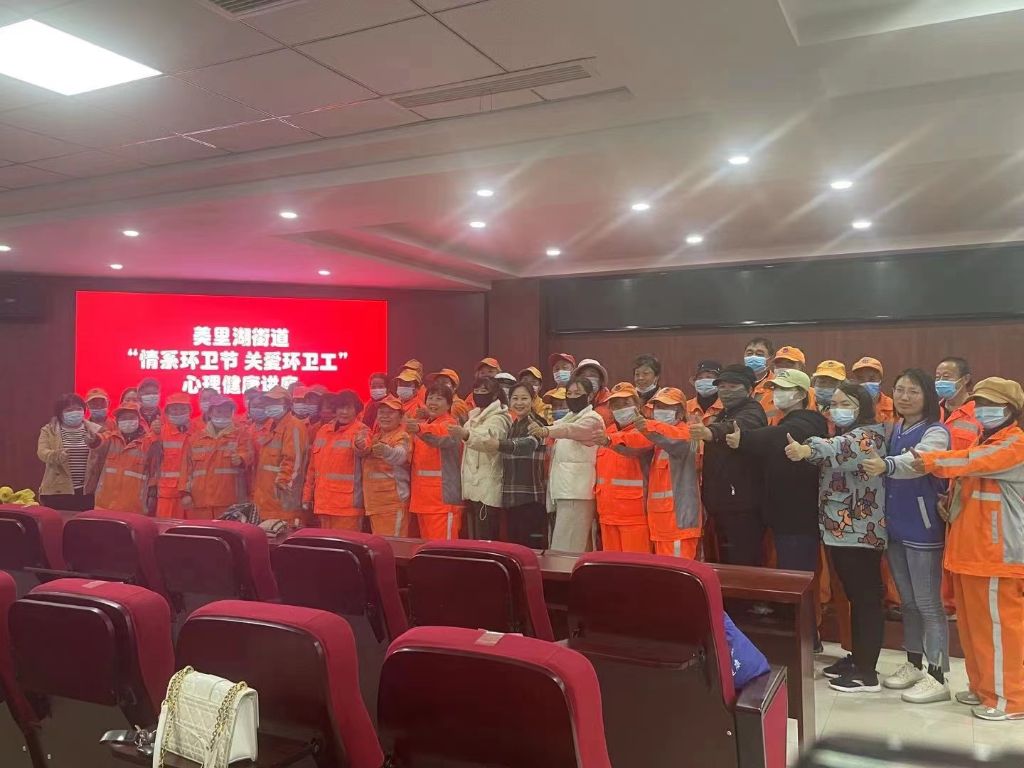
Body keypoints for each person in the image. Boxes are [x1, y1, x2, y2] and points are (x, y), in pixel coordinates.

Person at [915, 377, 1024, 721]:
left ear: (1011, 410)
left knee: (999, 631)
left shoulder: (1015, 444)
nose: (984, 410)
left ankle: (1011, 700)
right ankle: (983, 689)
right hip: (969, 553)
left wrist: (926, 460)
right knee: (974, 630)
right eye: (981, 403)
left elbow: (971, 461)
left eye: (993, 404)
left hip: (997, 556)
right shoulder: (984, 439)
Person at [785, 381, 887, 693]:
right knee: (855, 596)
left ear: (862, 406)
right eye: (835, 404)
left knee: (866, 598)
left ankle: (867, 672)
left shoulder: (869, 435)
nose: (838, 409)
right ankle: (858, 658)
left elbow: (839, 449)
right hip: (842, 531)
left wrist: (806, 449)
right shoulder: (847, 432)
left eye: (846, 404)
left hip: (862, 531)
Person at [862, 369, 951, 704]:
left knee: (928, 602)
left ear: (927, 395)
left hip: (923, 527)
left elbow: (918, 462)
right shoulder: (895, 427)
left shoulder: (936, 431)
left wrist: (886, 465)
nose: (904, 396)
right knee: (908, 601)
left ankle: (938, 675)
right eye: (899, 390)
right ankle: (914, 663)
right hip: (895, 525)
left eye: (913, 391)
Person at [725, 369, 829, 575]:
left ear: (801, 394)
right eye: (775, 388)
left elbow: (780, 435)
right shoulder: (787, 420)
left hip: (798, 518)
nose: (777, 393)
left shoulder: (808, 421)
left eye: (784, 388)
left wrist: (744, 439)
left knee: (796, 575)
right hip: (783, 515)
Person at [689, 364, 767, 566]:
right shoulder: (724, 412)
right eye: (722, 386)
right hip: (721, 503)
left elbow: (735, 427)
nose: (726, 391)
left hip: (742, 506)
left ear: (749, 389)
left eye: (733, 386)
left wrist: (710, 432)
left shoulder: (752, 411)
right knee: (725, 561)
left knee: (743, 561)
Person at [529, 376, 604, 553]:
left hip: (578, 493)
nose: (572, 397)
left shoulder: (593, 419)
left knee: (566, 548)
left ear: (589, 396)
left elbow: (569, 431)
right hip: (564, 491)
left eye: (577, 393)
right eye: (569, 393)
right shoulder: (568, 418)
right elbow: (560, 427)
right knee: (574, 546)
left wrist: (546, 430)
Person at [935, 356, 982, 618]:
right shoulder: (933, 411)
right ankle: (941, 602)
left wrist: (953, 492)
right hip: (931, 490)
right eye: (938, 376)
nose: (941, 381)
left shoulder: (979, 413)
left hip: (963, 493)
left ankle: (956, 604)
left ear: (965, 380)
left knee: (959, 551)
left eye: (947, 376)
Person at [634, 387, 700, 557]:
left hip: (679, 525)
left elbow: (676, 441)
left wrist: (647, 427)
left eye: (667, 407)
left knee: (679, 572)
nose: (661, 411)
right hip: (660, 525)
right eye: (658, 407)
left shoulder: (687, 434)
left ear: (680, 412)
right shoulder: (658, 440)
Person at [592, 383, 653, 553]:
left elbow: (633, 446)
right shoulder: (607, 432)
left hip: (635, 516)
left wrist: (609, 441)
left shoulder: (646, 429)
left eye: (626, 403)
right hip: (606, 515)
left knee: (634, 565)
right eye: (616, 405)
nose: (620, 408)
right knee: (611, 565)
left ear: (637, 404)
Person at [488, 381, 549, 548]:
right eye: (515, 398)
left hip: (530, 498)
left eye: (524, 398)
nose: (519, 403)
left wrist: (498, 444)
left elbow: (528, 445)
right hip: (512, 497)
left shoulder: (537, 423)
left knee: (531, 550)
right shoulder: (513, 425)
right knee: (514, 548)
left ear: (533, 400)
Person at [450, 377, 511, 540]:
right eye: (476, 391)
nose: (479, 394)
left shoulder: (499, 418)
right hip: (472, 487)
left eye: (483, 391)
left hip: (487, 488)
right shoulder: (473, 416)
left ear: (495, 394)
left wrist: (466, 434)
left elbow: (487, 442)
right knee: (475, 538)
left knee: (487, 538)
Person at [303, 389, 369, 531]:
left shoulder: (361, 431)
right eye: (340, 408)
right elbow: (312, 469)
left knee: (345, 543)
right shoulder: (323, 431)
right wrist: (307, 497)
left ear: (356, 411)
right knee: (326, 544)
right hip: (323, 505)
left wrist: (361, 445)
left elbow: (364, 448)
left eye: (348, 408)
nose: (344, 412)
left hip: (347, 508)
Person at [179, 395, 251, 519]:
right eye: (219, 411)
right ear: (210, 413)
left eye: (227, 412)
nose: (223, 415)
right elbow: (186, 469)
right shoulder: (195, 438)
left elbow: (250, 456)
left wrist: (242, 459)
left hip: (230, 504)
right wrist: (185, 493)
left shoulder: (241, 436)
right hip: (200, 502)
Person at [408, 382, 463, 540]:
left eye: (439, 399)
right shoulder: (423, 425)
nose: (433, 402)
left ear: (449, 404)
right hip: (422, 500)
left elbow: (438, 438)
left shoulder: (451, 425)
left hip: (443, 501)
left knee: (444, 549)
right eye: (430, 398)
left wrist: (419, 429)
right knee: (426, 548)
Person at [252, 386, 309, 523]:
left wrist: (283, 486)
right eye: (269, 402)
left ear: (287, 404)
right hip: (267, 501)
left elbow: (293, 460)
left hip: (283, 502)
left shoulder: (294, 426)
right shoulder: (272, 426)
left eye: (276, 402)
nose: (271, 405)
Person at [37, 393, 102, 511]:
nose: (75, 413)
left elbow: (103, 455)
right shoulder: (49, 430)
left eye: (78, 409)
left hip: (87, 491)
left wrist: (96, 444)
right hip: (58, 491)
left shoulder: (96, 430)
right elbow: (42, 452)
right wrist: (56, 455)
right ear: (60, 413)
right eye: (69, 410)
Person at [359, 394, 412, 536]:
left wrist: (386, 451)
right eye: (382, 412)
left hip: (393, 504)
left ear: (401, 417)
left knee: (393, 546)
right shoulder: (376, 436)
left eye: (390, 413)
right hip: (375, 504)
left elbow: (401, 455)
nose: (385, 416)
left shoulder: (402, 435)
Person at [92, 402, 160, 515]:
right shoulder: (111, 438)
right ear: (117, 421)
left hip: (134, 507)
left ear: (139, 420)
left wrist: (152, 494)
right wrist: (93, 439)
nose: (127, 421)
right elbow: (99, 442)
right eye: (123, 418)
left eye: (131, 417)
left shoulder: (149, 442)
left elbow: (155, 471)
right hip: (104, 505)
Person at [154, 393, 192, 518]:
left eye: (183, 409)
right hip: (167, 495)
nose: (179, 412)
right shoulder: (159, 432)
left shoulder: (198, 431)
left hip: (194, 494)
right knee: (166, 528)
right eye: (174, 409)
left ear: (190, 410)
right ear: (167, 412)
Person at [761, 346, 815, 423]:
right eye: (779, 365)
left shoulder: (815, 396)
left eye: (789, 364)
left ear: (801, 367)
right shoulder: (765, 398)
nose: (783, 368)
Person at [850, 357, 895, 423]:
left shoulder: (892, 407)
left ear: (880, 380)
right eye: (861, 379)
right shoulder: (848, 405)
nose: (866, 383)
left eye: (872, 379)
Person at [574, 358, 612, 426]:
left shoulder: (611, 402)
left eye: (593, 375)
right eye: (583, 376)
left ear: (601, 380)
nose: (588, 379)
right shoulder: (572, 401)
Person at [687, 360, 724, 424]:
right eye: (700, 378)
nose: (704, 380)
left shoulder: (726, 406)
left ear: (719, 381)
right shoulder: (686, 406)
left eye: (709, 377)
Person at [744, 337, 775, 404]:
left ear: (770, 359)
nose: (753, 357)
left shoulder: (777, 384)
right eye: (749, 353)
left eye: (759, 354)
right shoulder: (735, 382)